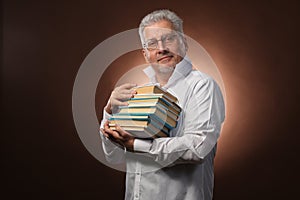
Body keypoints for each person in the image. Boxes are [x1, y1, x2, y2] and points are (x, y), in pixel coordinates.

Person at [100, 9, 225, 200]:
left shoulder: (202, 86)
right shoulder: (139, 94)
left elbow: (198, 149)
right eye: (152, 43)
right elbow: (114, 157)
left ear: (184, 43)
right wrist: (109, 112)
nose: (161, 48)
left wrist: (137, 144)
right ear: (145, 54)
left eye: (169, 39)